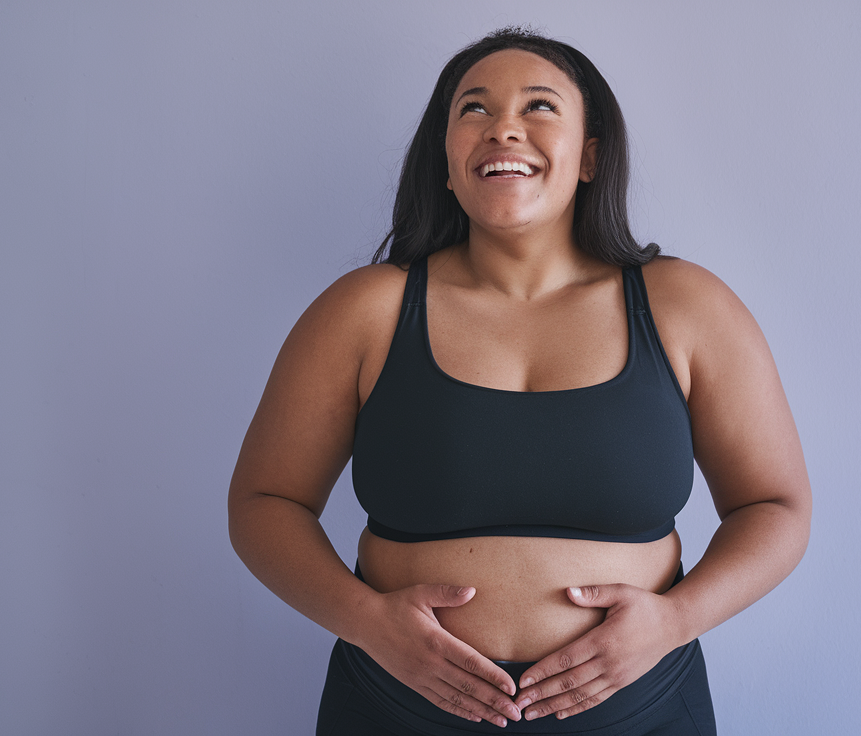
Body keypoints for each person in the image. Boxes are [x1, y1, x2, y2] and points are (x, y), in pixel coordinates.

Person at [228, 27, 811, 735]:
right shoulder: (365, 310)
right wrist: (369, 623)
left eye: (539, 106)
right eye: (473, 109)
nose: (503, 126)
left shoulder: (685, 306)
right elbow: (265, 502)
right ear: (446, 162)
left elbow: (776, 507)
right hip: (395, 709)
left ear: (590, 155)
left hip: (640, 712)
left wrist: (675, 620)